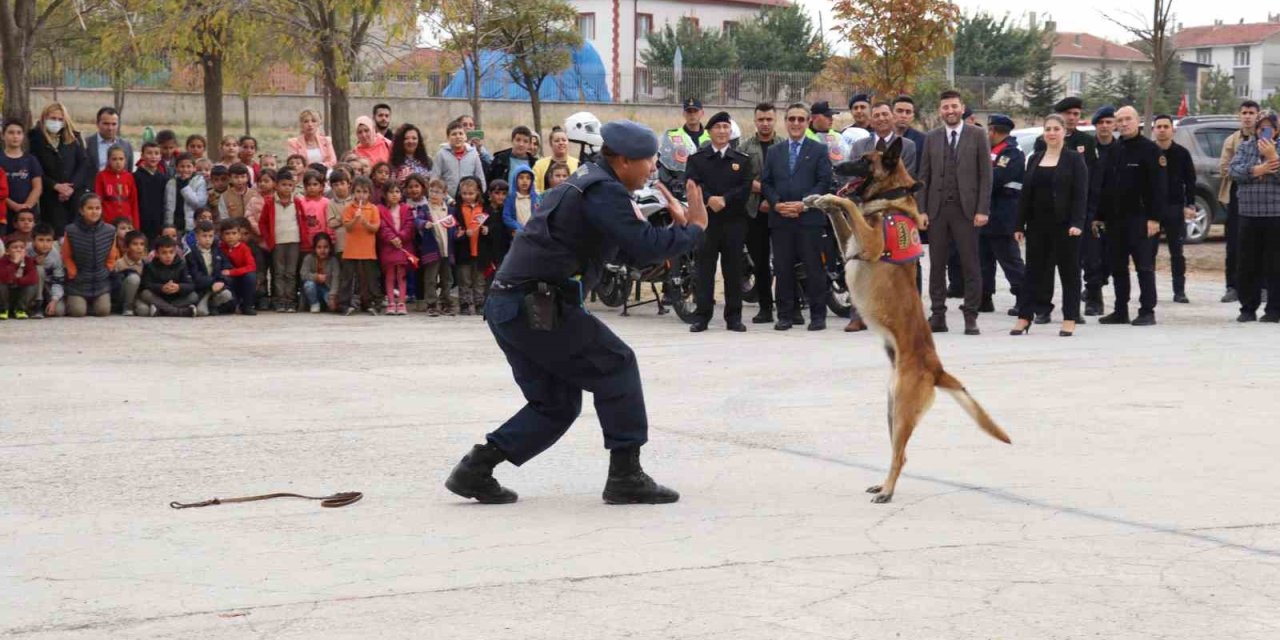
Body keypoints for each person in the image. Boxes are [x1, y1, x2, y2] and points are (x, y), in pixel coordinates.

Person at [444, 120, 708, 506]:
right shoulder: (603, 190)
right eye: (648, 161)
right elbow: (642, 247)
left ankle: (476, 468)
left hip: (511, 306)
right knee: (616, 363)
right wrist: (694, 230)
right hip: (536, 305)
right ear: (621, 160)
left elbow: (625, 250)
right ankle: (626, 476)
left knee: (557, 404)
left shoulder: (588, 181)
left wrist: (668, 236)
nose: (653, 168)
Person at [918, 89, 993, 335]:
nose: (950, 111)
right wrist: (921, 210)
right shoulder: (931, 137)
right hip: (937, 210)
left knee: (970, 263)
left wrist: (982, 209)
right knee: (937, 265)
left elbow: (986, 175)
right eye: (945, 107)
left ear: (962, 107)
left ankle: (971, 316)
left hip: (967, 211)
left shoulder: (978, 134)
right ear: (940, 111)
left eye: (954, 106)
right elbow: (924, 176)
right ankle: (937, 315)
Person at [842, 101, 922, 332]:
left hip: (898, 210)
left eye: (885, 114)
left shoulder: (907, 146)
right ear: (870, 118)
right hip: (866, 210)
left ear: (892, 116)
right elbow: (854, 176)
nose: (881, 118)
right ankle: (858, 315)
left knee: (907, 258)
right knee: (860, 260)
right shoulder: (860, 145)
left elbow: (907, 178)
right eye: (876, 115)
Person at [1011, 114, 1088, 337]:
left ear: (1064, 132)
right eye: (1048, 129)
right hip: (1037, 226)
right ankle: (1025, 317)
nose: (1051, 133)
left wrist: (1077, 222)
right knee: (1033, 273)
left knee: (1069, 273)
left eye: (1056, 129)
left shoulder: (1074, 159)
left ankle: (1070, 318)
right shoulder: (1035, 158)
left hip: (1065, 227)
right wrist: (1019, 224)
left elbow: (1080, 195)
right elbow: (1025, 195)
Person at [761, 102, 834, 331]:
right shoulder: (775, 151)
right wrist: (777, 204)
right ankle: (785, 315)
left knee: (814, 269)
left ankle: (818, 316)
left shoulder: (819, 150)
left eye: (800, 119)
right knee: (782, 269)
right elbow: (766, 182)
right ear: (785, 122)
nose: (795, 123)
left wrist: (803, 204)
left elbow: (824, 182)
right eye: (791, 119)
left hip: (808, 219)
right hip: (781, 219)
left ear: (808, 121)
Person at [1096, 106, 1166, 327]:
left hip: (1141, 219)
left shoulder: (1151, 151)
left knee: (1144, 266)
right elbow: (1105, 185)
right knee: (1118, 267)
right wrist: (1099, 216)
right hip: (1116, 220)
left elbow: (1159, 188)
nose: (1123, 123)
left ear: (1138, 121)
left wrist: (1155, 218)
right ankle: (1120, 310)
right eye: (1120, 120)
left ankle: (1147, 311)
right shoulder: (1114, 150)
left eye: (1128, 119)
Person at [687, 110, 752, 333]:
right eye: (718, 127)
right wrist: (708, 199)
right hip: (706, 223)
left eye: (726, 127)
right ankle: (702, 316)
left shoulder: (742, 161)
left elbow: (745, 188)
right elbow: (692, 184)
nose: (723, 131)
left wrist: (724, 199)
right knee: (703, 271)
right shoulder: (697, 159)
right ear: (710, 131)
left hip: (733, 222)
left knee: (733, 271)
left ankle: (734, 318)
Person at [1228, 110, 1280, 323]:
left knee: (1275, 263)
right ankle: (1247, 307)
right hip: (1248, 214)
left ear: (1276, 130)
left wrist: (1273, 159)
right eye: (1261, 127)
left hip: (1276, 215)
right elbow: (1233, 171)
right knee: (1247, 264)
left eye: (1269, 127)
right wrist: (1257, 170)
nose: (1264, 131)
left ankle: (1274, 309)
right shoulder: (1245, 147)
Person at [980, 114, 1027, 316]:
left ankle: (1023, 297)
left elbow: (997, 177)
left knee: (1009, 259)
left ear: (995, 131)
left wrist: (979, 177)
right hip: (986, 212)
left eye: (989, 130)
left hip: (1004, 213)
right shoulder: (991, 150)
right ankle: (984, 297)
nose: (987, 134)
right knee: (983, 258)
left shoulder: (1012, 152)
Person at [1218, 100, 1260, 304]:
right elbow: (1225, 168)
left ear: (1258, 115)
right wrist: (1252, 171)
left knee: (1262, 244)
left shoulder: (1268, 139)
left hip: (1263, 199)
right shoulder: (1232, 141)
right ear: (1239, 115)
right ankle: (1232, 286)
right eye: (1244, 112)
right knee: (1234, 243)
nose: (1247, 116)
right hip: (1237, 196)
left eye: (1251, 112)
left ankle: (1262, 287)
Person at [1152, 114, 1196, 304]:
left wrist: (1190, 204)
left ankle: (1179, 291)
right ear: (1154, 130)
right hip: (1152, 209)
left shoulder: (1182, 153)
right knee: (1149, 252)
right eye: (1158, 126)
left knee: (1176, 252)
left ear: (1172, 129)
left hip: (1174, 208)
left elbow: (1190, 181)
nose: (1162, 130)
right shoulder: (1149, 152)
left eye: (1165, 126)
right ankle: (1149, 290)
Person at [30, 103, 92, 237]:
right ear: (44, 118)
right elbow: (35, 168)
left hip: (74, 195)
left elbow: (83, 164)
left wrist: (70, 188)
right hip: (50, 196)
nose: (56, 122)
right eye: (52, 118)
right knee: (56, 236)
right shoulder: (35, 138)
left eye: (60, 119)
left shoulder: (74, 137)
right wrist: (55, 186)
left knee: (75, 235)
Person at [1083, 105, 1118, 316]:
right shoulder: (1087, 148)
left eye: (1108, 122)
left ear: (1114, 125)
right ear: (1095, 125)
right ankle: (1094, 300)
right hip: (1092, 211)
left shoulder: (1120, 149)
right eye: (1100, 123)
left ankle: (1091, 289)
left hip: (1115, 212)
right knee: (1091, 259)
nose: (1104, 126)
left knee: (1111, 260)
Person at [61, 193, 118, 317]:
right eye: (90, 208)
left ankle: (94, 303)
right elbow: (66, 256)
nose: (94, 212)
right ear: (82, 210)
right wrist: (73, 272)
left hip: (101, 280)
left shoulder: (110, 230)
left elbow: (112, 256)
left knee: (103, 311)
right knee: (78, 312)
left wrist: (107, 269)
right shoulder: (71, 230)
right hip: (78, 281)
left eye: (97, 208)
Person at [258, 169, 306, 312]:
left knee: (291, 272)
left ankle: (290, 300)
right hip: (277, 242)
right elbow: (262, 223)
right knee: (279, 272)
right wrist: (268, 239)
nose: (287, 188)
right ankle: (279, 300)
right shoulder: (269, 203)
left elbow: (302, 221)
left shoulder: (297, 202)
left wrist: (303, 238)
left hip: (294, 241)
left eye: (290, 185)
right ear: (276, 186)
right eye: (283, 184)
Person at [451, 176, 493, 316]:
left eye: (471, 193)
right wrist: (461, 233)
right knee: (464, 279)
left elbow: (492, 225)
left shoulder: (484, 208)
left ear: (478, 193)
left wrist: (487, 230)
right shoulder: (457, 209)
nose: (467, 197)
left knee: (479, 280)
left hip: (480, 250)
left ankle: (480, 304)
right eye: (464, 194)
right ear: (460, 193)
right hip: (463, 250)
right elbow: (454, 228)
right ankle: (464, 304)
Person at [415, 177, 456, 316]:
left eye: (437, 192)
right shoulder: (425, 209)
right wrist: (423, 224)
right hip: (432, 250)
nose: (433, 194)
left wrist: (459, 232)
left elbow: (454, 228)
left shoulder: (449, 210)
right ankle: (431, 304)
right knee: (431, 278)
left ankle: (446, 302)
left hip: (447, 250)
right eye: (431, 191)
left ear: (445, 194)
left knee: (447, 279)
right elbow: (417, 221)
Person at [341, 175, 381, 315]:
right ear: (353, 192)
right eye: (358, 191)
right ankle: (345, 304)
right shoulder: (349, 208)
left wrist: (365, 223)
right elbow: (347, 227)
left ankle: (370, 303)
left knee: (369, 279)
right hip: (351, 250)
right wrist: (355, 219)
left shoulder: (373, 209)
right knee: (348, 278)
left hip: (367, 250)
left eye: (364, 192)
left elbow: (375, 228)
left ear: (369, 193)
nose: (361, 195)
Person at [377, 181, 415, 315]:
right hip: (388, 247)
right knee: (389, 275)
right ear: (385, 194)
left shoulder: (406, 209)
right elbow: (381, 227)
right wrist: (392, 238)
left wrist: (401, 237)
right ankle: (391, 302)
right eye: (391, 192)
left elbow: (410, 225)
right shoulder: (380, 209)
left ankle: (402, 302)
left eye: (397, 192)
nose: (394, 195)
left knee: (401, 275)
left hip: (403, 247)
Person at [137, 235, 197, 317]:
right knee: (145, 294)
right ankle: (179, 312)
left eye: (171, 252)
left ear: (175, 252)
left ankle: (162, 310)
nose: (168, 256)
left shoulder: (182, 264)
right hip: (158, 297)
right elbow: (145, 284)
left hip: (176, 298)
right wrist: (161, 288)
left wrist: (178, 287)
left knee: (194, 296)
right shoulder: (150, 266)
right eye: (164, 253)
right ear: (157, 254)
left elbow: (190, 285)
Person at [186, 220, 234, 316]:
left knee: (227, 295)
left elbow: (227, 270)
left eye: (210, 236)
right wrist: (214, 282)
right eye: (204, 236)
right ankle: (206, 305)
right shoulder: (191, 255)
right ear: (196, 237)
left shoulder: (219, 252)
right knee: (201, 312)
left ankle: (213, 305)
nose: (208, 239)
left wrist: (222, 282)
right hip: (201, 290)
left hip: (218, 288)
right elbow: (196, 276)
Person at [2, 121, 43, 232]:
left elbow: (37, 187)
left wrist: (26, 207)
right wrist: (13, 205)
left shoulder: (31, 160)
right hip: (5, 212)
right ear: (3, 135)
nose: (15, 136)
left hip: (28, 215)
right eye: (11, 133)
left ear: (23, 136)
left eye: (19, 133)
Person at [245, 168, 275, 309]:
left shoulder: (278, 199)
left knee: (276, 270)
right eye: (260, 181)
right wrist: (258, 229)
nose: (263, 184)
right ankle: (261, 296)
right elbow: (249, 216)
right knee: (260, 270)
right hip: (258, 241)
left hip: (275, 241)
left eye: (266, 181)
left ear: (274, 183)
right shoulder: (254, 200)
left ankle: (276, 296)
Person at [434, 119, 486, 195]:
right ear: (448, 137)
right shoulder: (441, 154)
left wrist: (479, 196)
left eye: (461, 133)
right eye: (454, 134)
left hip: (468, 199)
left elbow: (480, 178)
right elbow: (435, 179)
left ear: (465, 137)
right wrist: (446, 198)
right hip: (447, 200)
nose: (458, 137)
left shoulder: (473, 154)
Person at [217, 218, 257, 315]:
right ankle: (232, 304)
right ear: (222, 235)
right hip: (228, 280)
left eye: (234, 233)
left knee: (251, 276)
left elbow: (251, 266)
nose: (231, 237)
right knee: (225, 278)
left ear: (239, 235)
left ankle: (247, 306)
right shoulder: (220, 247)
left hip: (242, 278)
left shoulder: (244, 248)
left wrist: (232, 272)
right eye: (227, 233)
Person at [95, 146, 139, 230]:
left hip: (126, 221)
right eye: (114, 159)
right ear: (108, 160)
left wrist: (135, 225)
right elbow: (99, 200)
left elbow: (133, 201)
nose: (118, 162)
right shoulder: (101, 176)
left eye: (121, 159)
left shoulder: (129, 176)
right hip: (108, 220)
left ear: (125, 160)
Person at [134, 142, 169, 239]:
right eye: (149, 153)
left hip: (159, 221)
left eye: (156, 153)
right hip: (142, 221)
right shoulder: (136, 177)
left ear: (160, 156)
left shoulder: (164, 178)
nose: (153, 156)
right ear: (142, 156)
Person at [28, 224, 64, 318]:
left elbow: (58, 280)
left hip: (48, 285)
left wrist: (54, 300)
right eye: (41, 240)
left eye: (48, 240)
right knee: (39, 269)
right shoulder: (26, 251)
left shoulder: (55, 256)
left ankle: (46, 303)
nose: (45, 244)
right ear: (33, 240)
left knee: (59, 311)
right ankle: (37, 305)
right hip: (31, 287)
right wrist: (32, 263)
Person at [84, 107, 133, 176]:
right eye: (106, 124)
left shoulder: (126, 146)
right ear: (97, 124)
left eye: (114, 124)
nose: (110, 128)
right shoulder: (86, 144)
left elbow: (129, 174)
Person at [164, 153, 206, 233]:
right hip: (173, 225)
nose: (185, 170)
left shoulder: (199, 181)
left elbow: (199, 204)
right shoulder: (171, 183)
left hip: (191, 226)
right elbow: (167, 205)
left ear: (194, 168)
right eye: (182, 166)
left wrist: (185, 187)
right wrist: (167, 223)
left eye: (188, 166)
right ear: (176, 168)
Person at [0, 236, 38, 319]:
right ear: (7, 251)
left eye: (22, 247)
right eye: (15, 247)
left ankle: (20, 309)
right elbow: (3, 278)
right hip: (6, 294)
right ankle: (3, 309)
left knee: (32, 286)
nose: (19, 249)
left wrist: (15, 280)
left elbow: (32, 278)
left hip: (20, 292)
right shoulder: (3, 261)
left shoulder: (28, 261)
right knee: (1, 284)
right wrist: (14, 263)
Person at [111, 229, 147, 315]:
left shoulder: (145, 263)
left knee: (144, 311)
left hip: (137, 297)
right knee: (134, 278)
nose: (139, 248)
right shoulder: (119, 263)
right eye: (135, 244)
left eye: (142, 244)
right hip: (122, 296)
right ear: (127, 247)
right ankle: (127, 308)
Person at [301, 232, 339, 313]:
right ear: (314, 248)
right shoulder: (309, 258)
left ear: (330, 248)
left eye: (326, 247)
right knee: (309, 285)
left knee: (332, 305)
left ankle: (325, 305)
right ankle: (314, 303)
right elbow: (303, 274)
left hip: (327, 289)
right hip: (313, 289)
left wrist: (332, 296)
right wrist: (316, 277)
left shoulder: (333, 260)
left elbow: (336, 278)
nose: (322, 250)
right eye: (319, 247)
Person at [531, 127, 579, 191]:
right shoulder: (539, 165)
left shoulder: (577, 164)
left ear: (568, 142)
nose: (561, 143)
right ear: (551, 144)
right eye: (557, 141)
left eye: (564, 140)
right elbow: (534, 188)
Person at [298, 170, 330, 255]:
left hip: (322, 243)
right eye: (309, 185)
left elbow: (329, 222)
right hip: (304, 243)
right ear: (304, 187)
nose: (312, 187)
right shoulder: (300, 202)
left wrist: (329, 239)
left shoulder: (326, 202)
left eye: (315, 184)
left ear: (321, 187)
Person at [501, 166, 538, 235]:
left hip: (533, 234)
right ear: (515, 179)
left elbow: (540, 216)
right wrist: (518, 227)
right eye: (521, 178)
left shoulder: (537, 198)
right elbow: (506, 216)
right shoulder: (511, 198)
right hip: (517, 234)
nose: (525, 180)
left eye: (528, 178)